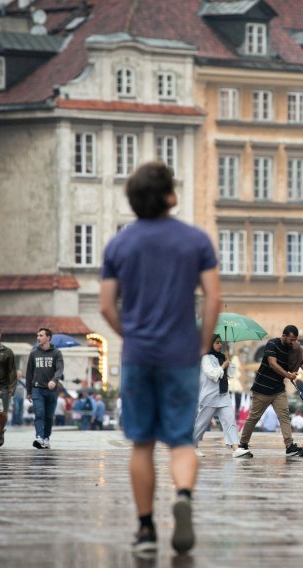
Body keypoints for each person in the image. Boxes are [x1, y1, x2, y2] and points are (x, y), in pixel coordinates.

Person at [100, 161, 221, 556]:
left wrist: (130, 335)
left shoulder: (119, 244)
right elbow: (214, 298)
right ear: (171, 196)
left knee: (141, 443)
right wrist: (201, 344)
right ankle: (183, 494)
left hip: (138, 354)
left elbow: (105, 306)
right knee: (181, 440)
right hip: (181, 354)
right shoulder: (195, 241)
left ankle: (146, 528)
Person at [236, 325, 303, 458]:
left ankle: (289, 446)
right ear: (283, 335)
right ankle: (243, 445)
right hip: (262, 388)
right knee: (254, 417)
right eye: (291, 339)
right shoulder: (272, 344)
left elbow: (302, 362)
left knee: (284, 415)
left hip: (278, 389)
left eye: (295, 340)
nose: (293, 342)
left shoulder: (292, 348)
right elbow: (272, 364)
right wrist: (287, 375)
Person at [193, 335, 244, 458]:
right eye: (216, 342)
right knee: (201, 423)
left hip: (223, 395)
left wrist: (228, 361)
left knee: (230, 420)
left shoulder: (222, 357)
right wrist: (223, 366)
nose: (219, 345)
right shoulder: (205, 358)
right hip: (210, 396)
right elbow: (212, 374)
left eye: (221, 342)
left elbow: (231, 374)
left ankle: (235, 447)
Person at [26, 328, 65, 450]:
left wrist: (54, 380)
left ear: (48, 337)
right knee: (39, 413)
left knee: (48, 416)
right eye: (37, 335)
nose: (38, 338)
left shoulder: (56, 353)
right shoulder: (33, 353)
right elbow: (29, 373)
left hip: (51, 390)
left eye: (41, 335)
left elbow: (60, 369)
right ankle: (39, 437)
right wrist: (28, 391)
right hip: (37, 388)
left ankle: (46, 438)